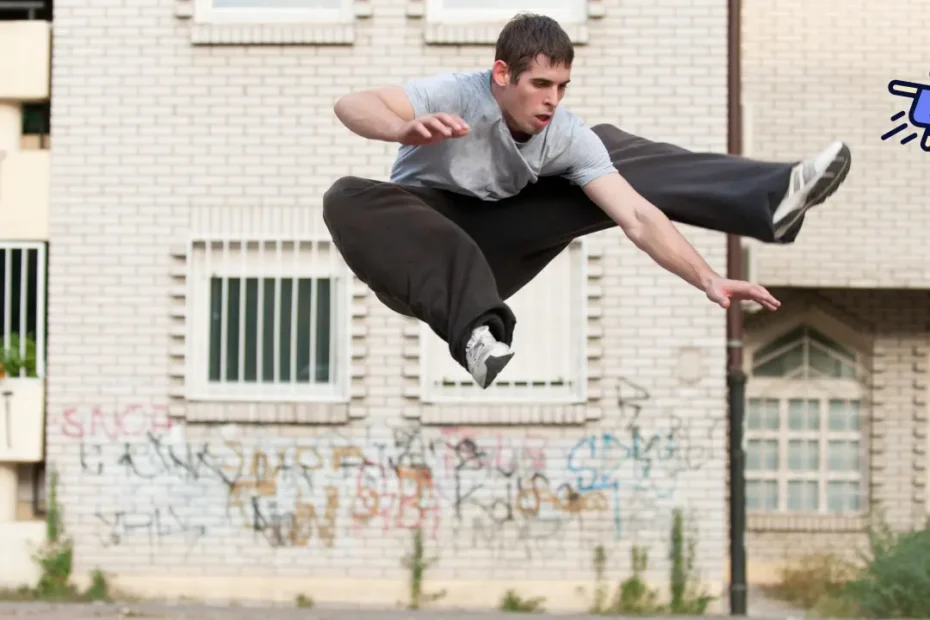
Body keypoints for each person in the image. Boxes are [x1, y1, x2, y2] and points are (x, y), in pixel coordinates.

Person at [323, 12, 851, 390]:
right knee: (347, 195)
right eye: (539, 84)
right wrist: (403, 126)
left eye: (562, 86)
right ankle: (476, 335)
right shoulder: (458, 92)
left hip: (496, 249)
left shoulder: (564, 134)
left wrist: (707, 277)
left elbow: (639, 216)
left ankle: (771, 196)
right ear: (501, 74)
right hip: (420, 256)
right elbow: (352, 103)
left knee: (610, 148)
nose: (552, 100)